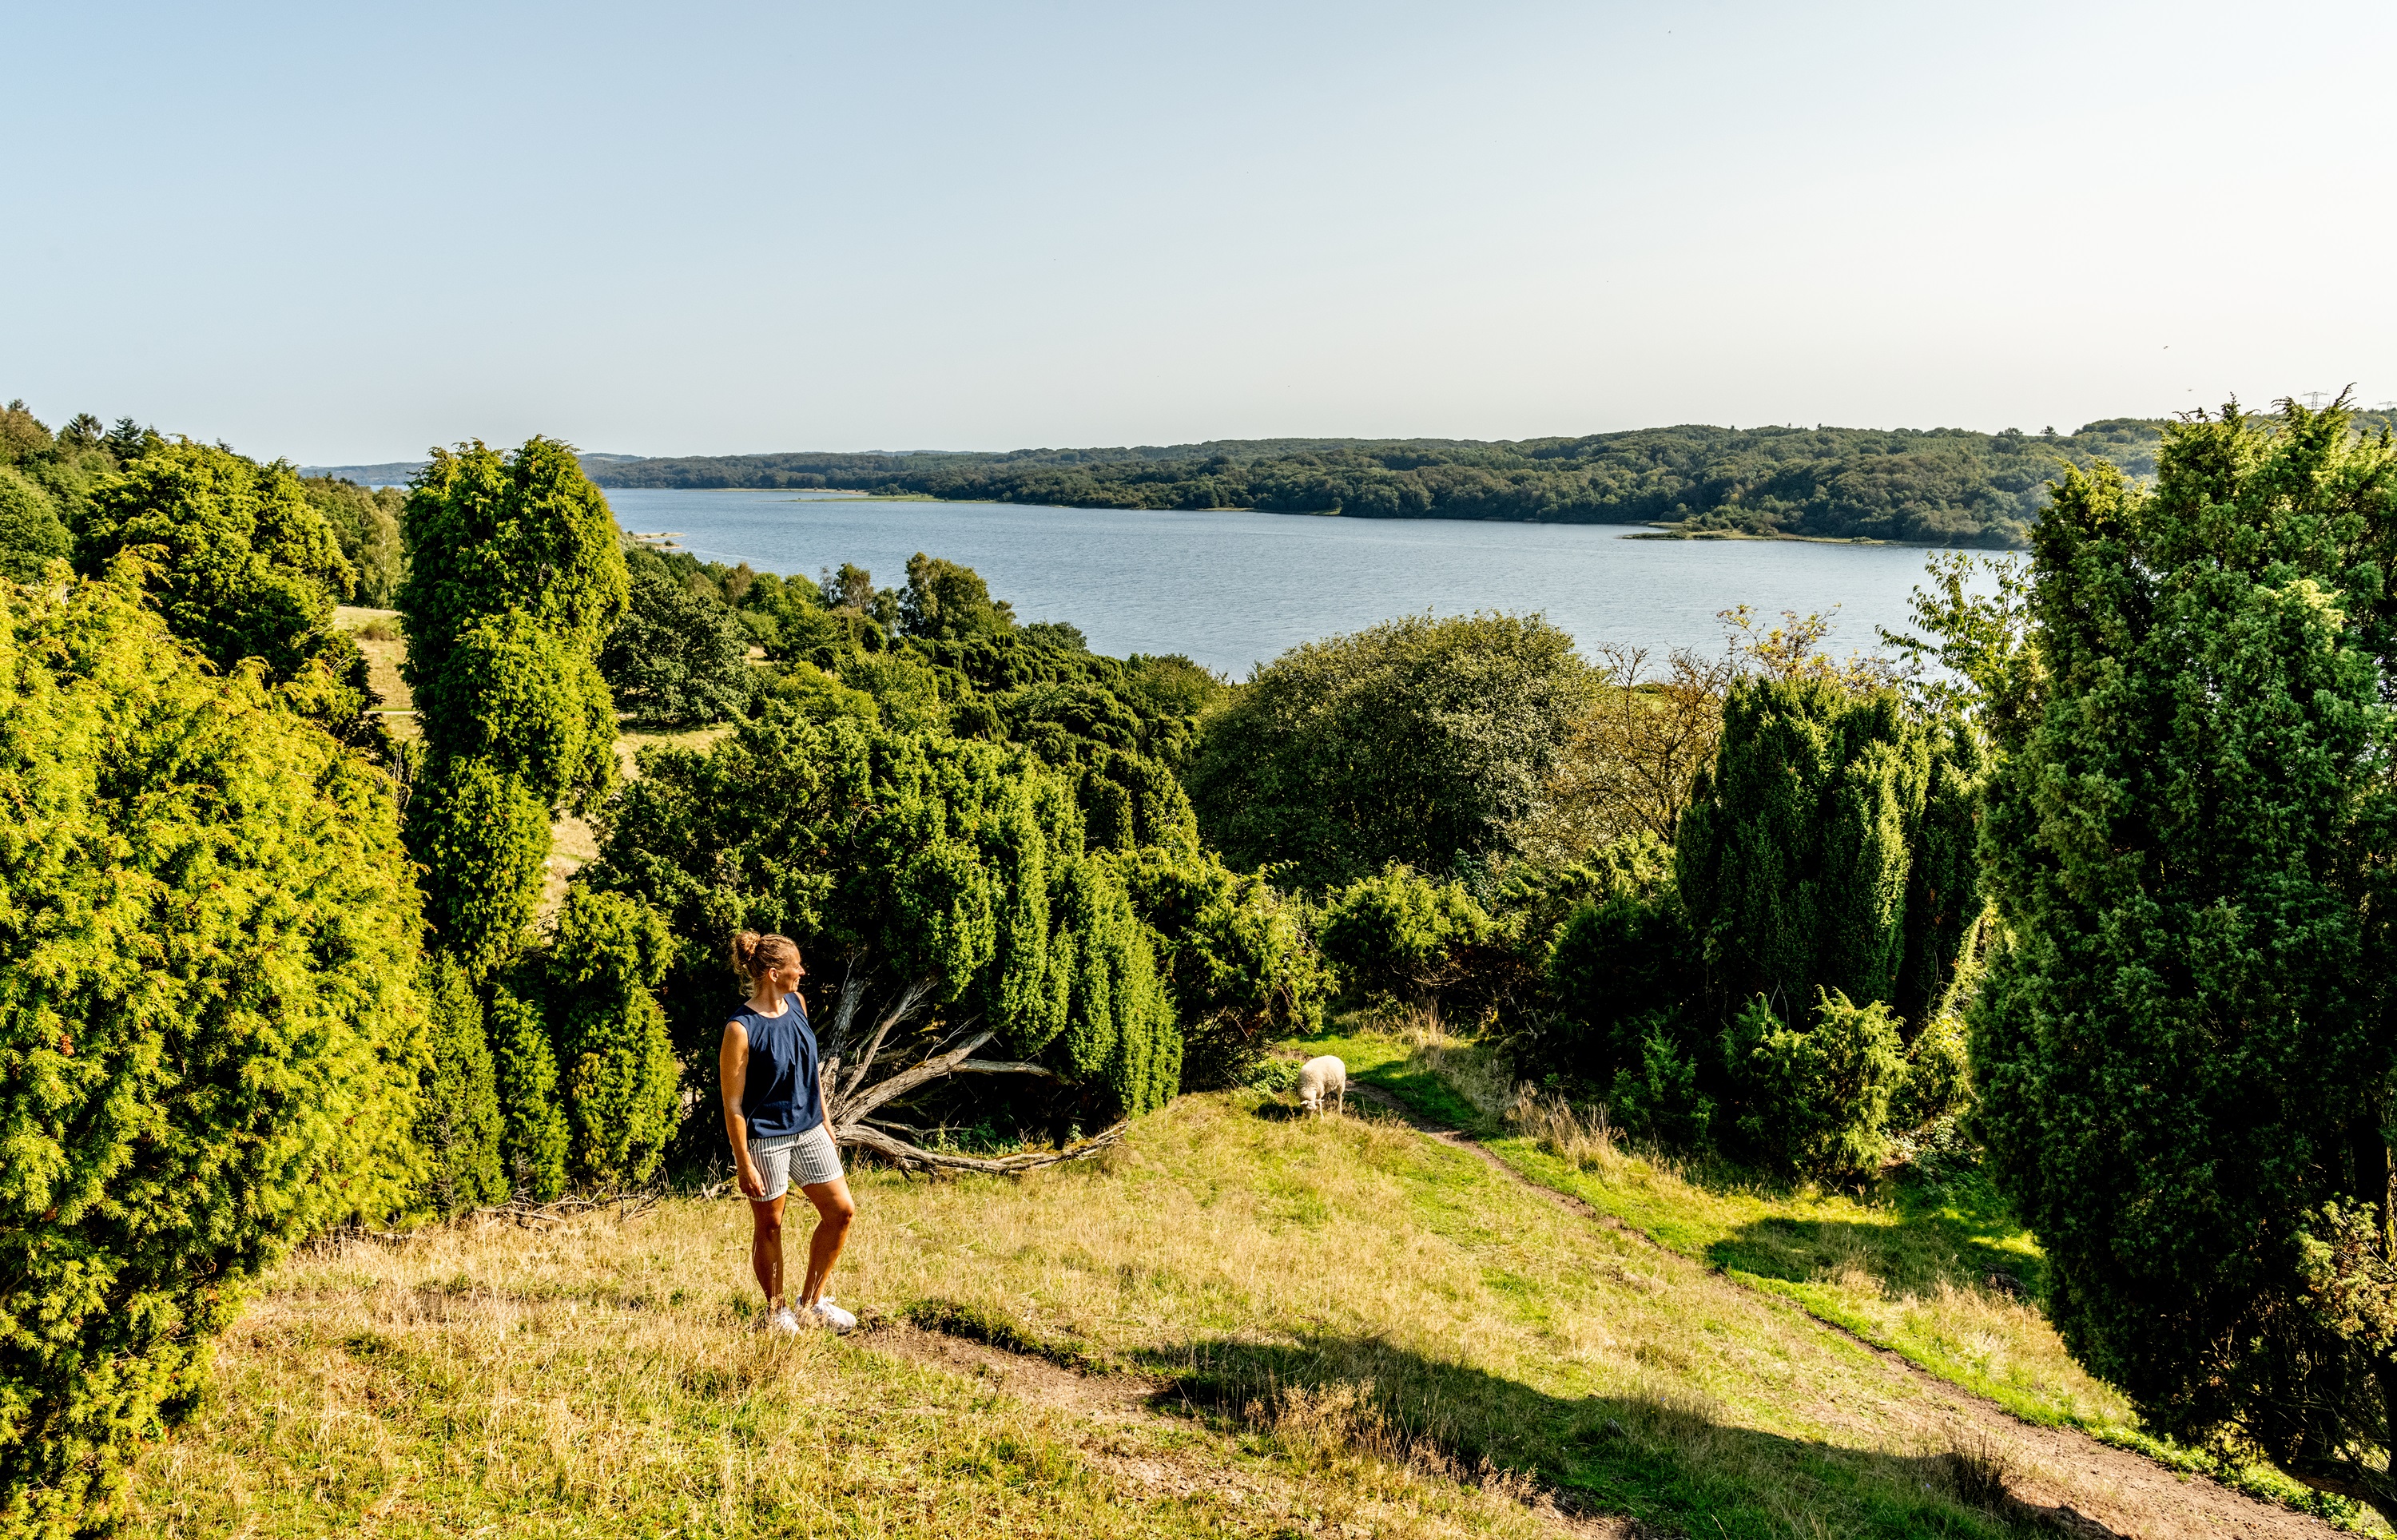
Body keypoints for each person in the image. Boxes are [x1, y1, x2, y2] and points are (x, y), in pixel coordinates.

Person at [721, 931, 857, 1334]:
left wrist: (827, 1122)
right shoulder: (740, 1028)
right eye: (795, 965)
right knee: (771, 1224)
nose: (802, 970)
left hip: (810, 1129)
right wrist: (744, 1163)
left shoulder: (797, 1004)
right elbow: (732, 1103)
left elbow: (809, 1067)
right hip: (766, 1137)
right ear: (773, 972)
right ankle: (776, 1311)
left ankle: (811, 1303)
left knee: (841, 1212)